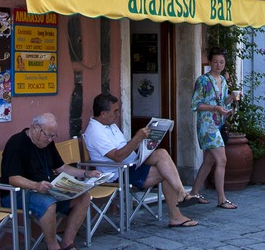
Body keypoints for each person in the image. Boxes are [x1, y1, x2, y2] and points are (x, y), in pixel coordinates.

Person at [83, 94, 200, 228]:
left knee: (162, 153)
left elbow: (123, 147)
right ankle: (177, 213)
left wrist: (145, 141)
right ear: (103, 113)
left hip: (132, 163)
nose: (118, 114)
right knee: (166, 173)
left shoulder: (110, 125)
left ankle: (182, 194)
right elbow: (117, 157)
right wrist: (137, 139)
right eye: (115, 111)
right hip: (119, 173)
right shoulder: (95, 131)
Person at [0, 112, 93, 250]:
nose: (50, 140)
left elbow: (61, 167)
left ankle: (67, 244)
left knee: (83, 197)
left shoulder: (47, 143)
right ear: (35, 128)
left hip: (48, 190)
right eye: (48, 135)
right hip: (18, 194)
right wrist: (36, 186)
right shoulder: (16, 143)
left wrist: (85, 173)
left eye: (53, 136)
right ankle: (53, 249)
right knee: (48, 203)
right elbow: (12, 178)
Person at [187, 49, 239, 210]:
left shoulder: (223, 80)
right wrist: (215, 108)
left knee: (209, 160)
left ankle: (194, 193)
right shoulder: (202, 80)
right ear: (210, 62)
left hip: (218, 124)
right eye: (215, 62)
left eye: (221, 62)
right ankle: (221, 199)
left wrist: (230, 98)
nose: (218, 65)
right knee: (221, 160)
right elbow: (195, 105)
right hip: (206, 126)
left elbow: (222, 102)